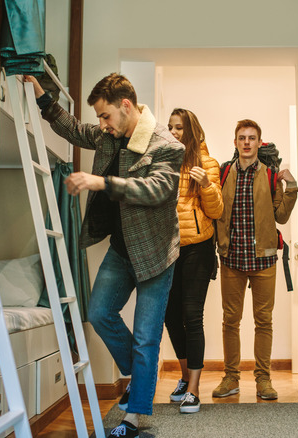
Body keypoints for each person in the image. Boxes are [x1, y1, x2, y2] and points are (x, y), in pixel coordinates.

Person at [24, 73, 184, 438]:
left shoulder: (166, 145)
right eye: (99, 117)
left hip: (156, 254)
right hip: (121, 247)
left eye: (106, 116)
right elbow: (76, 130)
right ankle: (141, 374)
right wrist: (42, 96)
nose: (101, 125)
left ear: (126, 106)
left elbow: (157, 189)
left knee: (146, 337)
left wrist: (101, 182)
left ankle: (132, 419)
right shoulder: (108, 134)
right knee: (97, 312)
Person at [212, 119, 298, 401]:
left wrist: (291, 186)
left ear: (259, 144)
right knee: (230, 321)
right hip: (232, 260)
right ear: (235, 143)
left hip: (264, 261)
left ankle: (263, 380)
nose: (247, 142)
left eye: (252, 138)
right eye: (242, 138)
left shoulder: (271, 176)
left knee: (264, 322)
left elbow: (281, 217)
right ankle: (231, 377)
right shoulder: (224, 173)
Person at [163, 108, 223, 414]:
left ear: (192, 131)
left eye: (179, 128)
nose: (174, 132)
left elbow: (216, 211)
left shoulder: (207, 163)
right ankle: (186, 379)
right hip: (168, 248)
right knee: (170, 315)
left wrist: (207, 186)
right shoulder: (163, 160)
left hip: (198, 249)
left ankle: (195, 390)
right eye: (171, 127)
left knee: (191, 315)